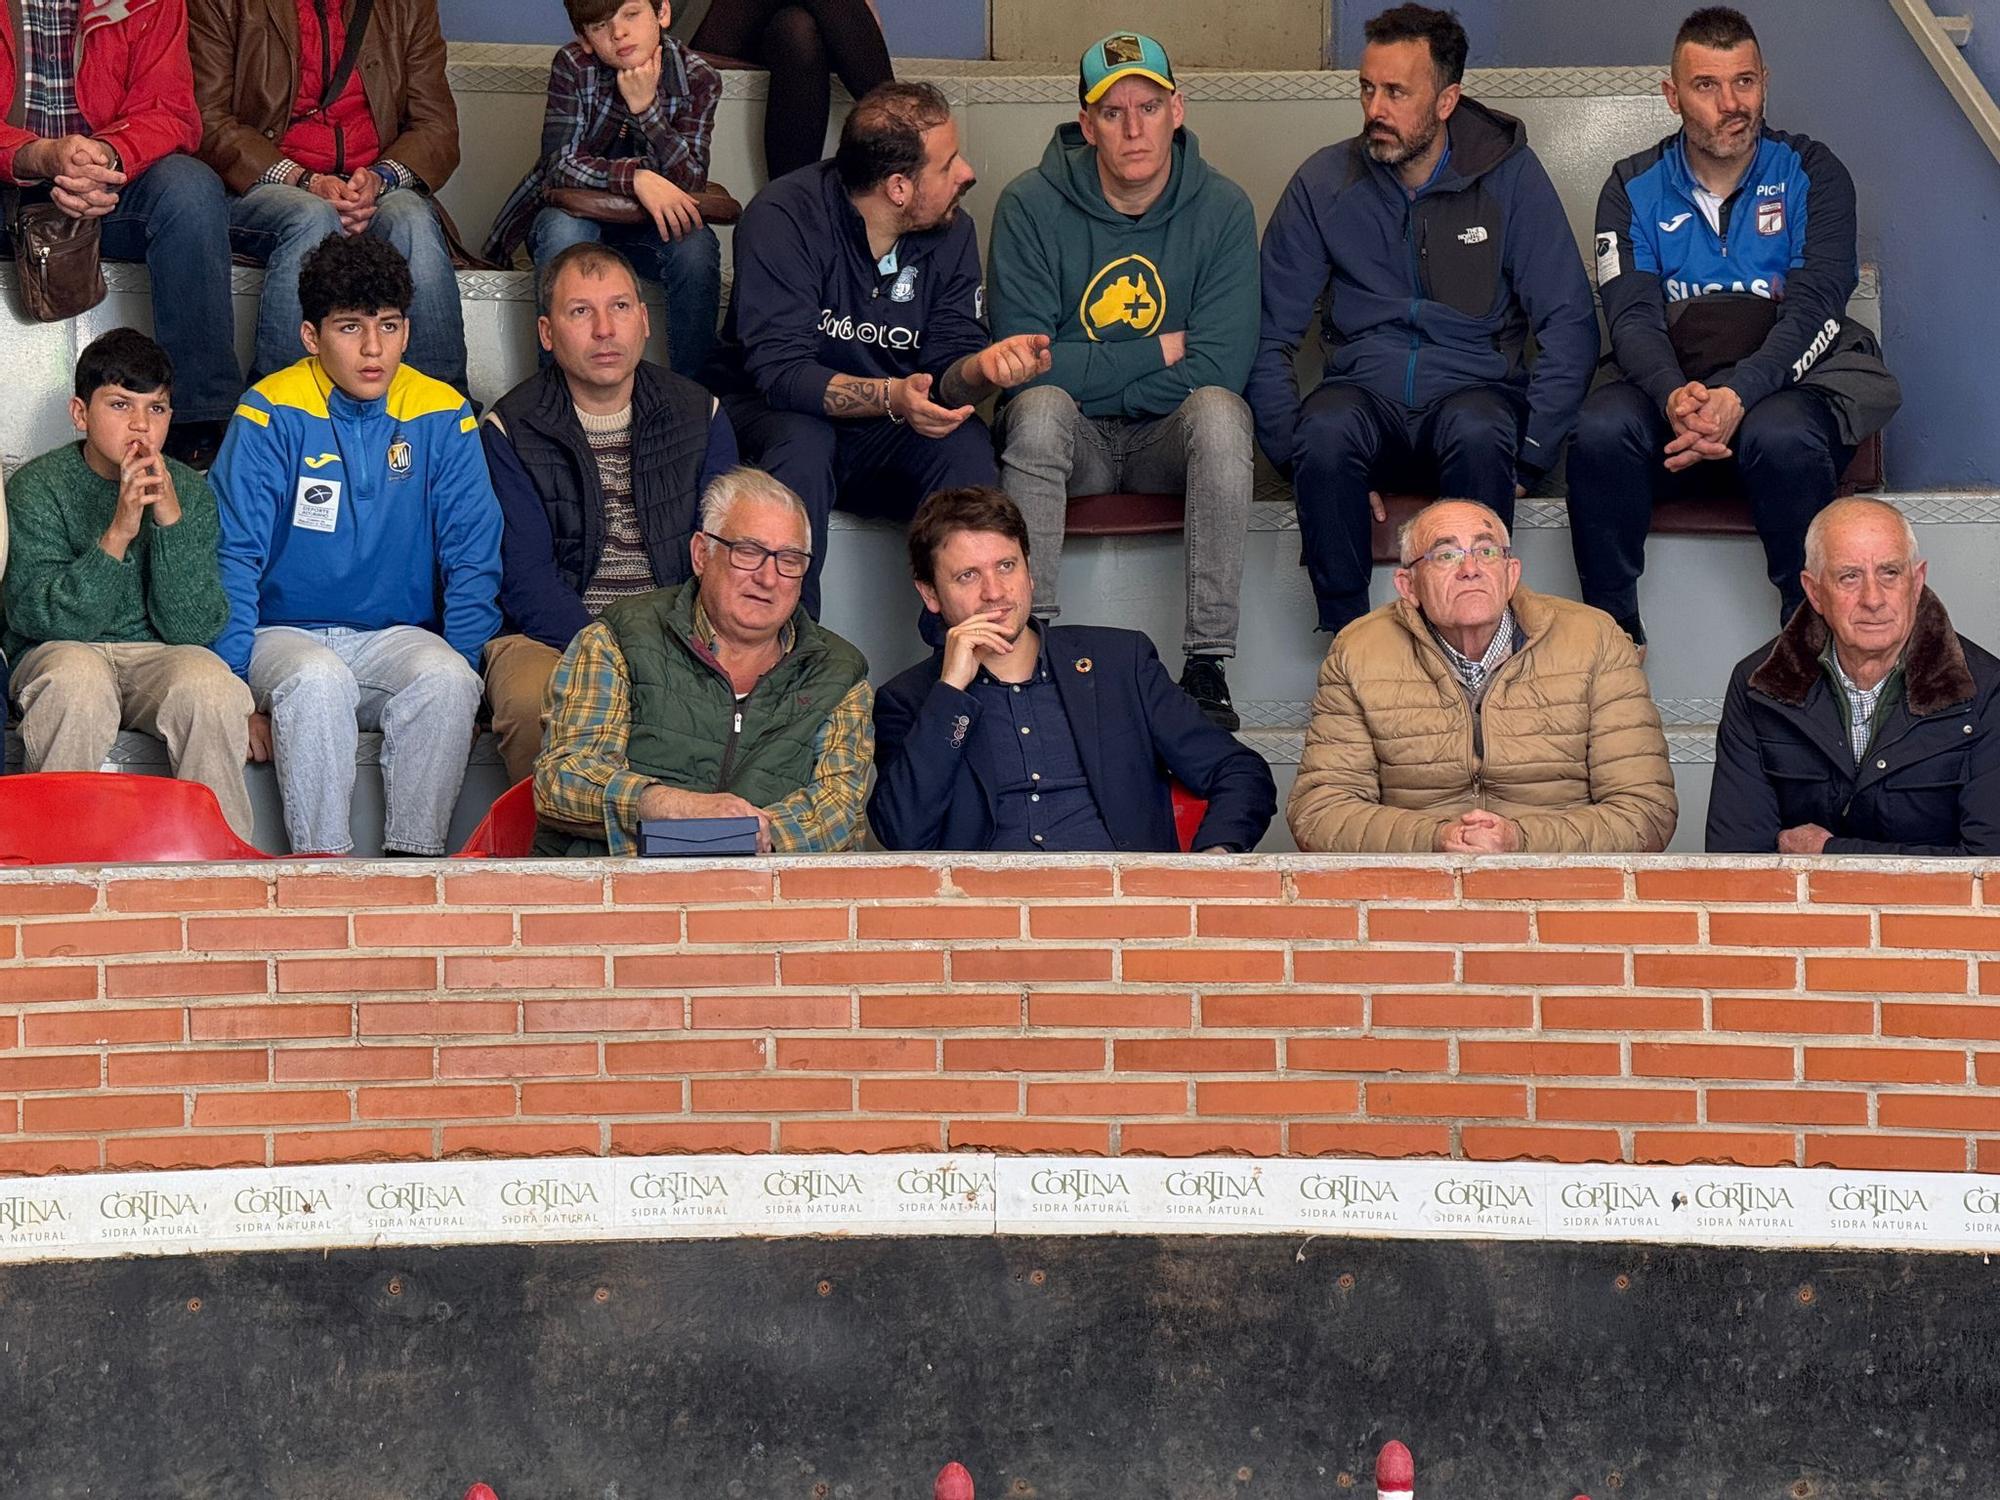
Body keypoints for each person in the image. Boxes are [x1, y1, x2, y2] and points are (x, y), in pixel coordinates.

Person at [1247, 3, 1597, 637]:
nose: (1375, 108)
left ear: (1446, 100)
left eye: (1396, 92)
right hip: (1365, 400)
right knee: (1323, 433)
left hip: (1471, 396)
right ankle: (1346, 644)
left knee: (1482, 426)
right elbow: (1266, 335)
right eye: (1366, 88)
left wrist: (1531, 457)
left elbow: (1570, 321)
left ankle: (1475, 645)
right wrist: (1296, 464)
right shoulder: (1323, 182)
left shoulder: (1509, 177)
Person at [1569, 8, 1900, 649]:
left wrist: (1740, 394)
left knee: (1782, 436)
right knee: (1600, 426)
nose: (1731, 104)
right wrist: (1673, 393)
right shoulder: (1631, 185)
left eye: (1744, 83)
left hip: (1778, 389)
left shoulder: (1813, 173)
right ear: (1672, 96)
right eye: (1706, 86)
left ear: (1765, 83)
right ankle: (1610, 636)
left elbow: (1816, 308)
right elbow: (1631, 313)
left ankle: (1809, 640)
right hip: (1676, 395)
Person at [987, 33, 1259, 730]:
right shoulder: (1028, 205)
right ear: (1086, 124)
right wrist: (1162, 351)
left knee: (1223, 413)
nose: (1133, 128)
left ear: (1178, 110)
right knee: (1042, 407)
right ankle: (1030, 641)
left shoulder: (1223, 209)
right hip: (1072, 443)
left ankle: (1205, 663)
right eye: (1112, 112)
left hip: (1166, 443)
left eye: (1149, 106)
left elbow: (1221, 366)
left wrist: (1091, 369)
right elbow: (1026, 368)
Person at [704, 80, 1052, 616]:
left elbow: (944, 371)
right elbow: (782, 373)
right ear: (897, 188)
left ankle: (969, 653)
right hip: (776, 416)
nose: (967, 174)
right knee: (804, 444)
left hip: (889, 431)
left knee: (964, 449)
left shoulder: (952, 231)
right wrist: (893, 397)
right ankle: (791, 653)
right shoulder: (783, 216)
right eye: (948, 163)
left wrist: (982, 369)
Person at [210, 234, 501, 856]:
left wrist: (473, 674)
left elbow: (474, 557)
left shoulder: (443, 412)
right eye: (349, 328)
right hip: (282, 635)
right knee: (318, 680)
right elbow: (233, 557)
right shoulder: (268, 411)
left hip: (391, 638)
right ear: (311, 336)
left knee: (448, 679)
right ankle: (323, 872)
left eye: (389, 326)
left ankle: (413, 868)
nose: (374, 349)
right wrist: (236, 692)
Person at [870, 486, 1275, 853]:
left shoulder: (1120, 662)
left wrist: (1214, 860)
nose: (994, 592)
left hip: (1125, 913)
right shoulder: (910, 700)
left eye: (1006, 566)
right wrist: (952, 693)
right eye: (968, 575)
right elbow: (902, 835)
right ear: (930, 593)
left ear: (1029, 570)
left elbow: (1239, 771)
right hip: (988, 920)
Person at [482, 242, 739, 787]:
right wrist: (616, 656)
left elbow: (723, 555)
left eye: (620, 307)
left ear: (644, 322)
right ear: (548, 335)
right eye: (581, 312)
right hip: (547, 635)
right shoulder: (511, 427)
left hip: (678, 631)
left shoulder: (701, 413)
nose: (605, 329)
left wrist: (669, 649)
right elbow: (525, 581)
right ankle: (550, 867)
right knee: (534, 702)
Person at [1288, 499, 1676, 853]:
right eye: (1445, 555)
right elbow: (1321, 812)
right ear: (1409, 586)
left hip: (1560, 890)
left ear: (1511, 574)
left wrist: (1520, 842)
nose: (1470, 569)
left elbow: (1644, 812)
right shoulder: (1359, 651)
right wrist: (1436, 840)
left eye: (1486, 551)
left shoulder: (1594, 639)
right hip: (1418, 894)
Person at [536, 466, 872, 856]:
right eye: (748, 552)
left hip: (760, 901)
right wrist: (673, 807)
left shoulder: (838, 671)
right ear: (701, 554)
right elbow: (561, 780)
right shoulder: (620, 638)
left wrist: (751, 832)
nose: (768, 577)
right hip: (617, 898)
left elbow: (839, 809)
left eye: (789, 560)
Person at [3, 329, 253, 836]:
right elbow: (37, 617)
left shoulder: (188, 492)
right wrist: (119, 531)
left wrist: (170, 524)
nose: (140, 426)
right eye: (120, 405)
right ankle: (57, 860)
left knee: (210, 684)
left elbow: (193, 628)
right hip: (60, 648)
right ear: (80, 413)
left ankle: (218, 872)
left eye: (156, 410)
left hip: (155, 656)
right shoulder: (37, 486)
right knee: (78, 680)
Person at [0, 0, 242, 467]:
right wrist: (35, 155)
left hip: (111, 186)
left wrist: (109, 157)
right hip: (8, 178)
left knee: (189, 189)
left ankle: (199, 432)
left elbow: (171, 109)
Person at [188, 0, 471, 393]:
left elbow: (437, 128)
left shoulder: (409, 6)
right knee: (310, 215)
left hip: (373, 185)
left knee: (412, 218)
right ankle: (280, 410)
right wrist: (305, 180)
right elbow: (206, 119)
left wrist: (380, 178)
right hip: (265, 186)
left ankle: (443, 411)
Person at [1707, 499, 2000, 855]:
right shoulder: (1760, 686)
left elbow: (1988, 869)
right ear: (1814, 591)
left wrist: (1831, 853)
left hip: (1935, 913)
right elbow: (1738, 861)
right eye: (1849, 576)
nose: (1872, 599)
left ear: (1917, 580)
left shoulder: (1984, 690)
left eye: (1890, 572)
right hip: (1800, 912)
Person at [484, 0, 724, 381]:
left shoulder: (698, 76)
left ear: (661, 14)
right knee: (564, 230)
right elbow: (559, 163)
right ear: (585, 39)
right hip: (577, 216)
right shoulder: (573, 65)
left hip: (648, 229)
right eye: (600, 26)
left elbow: (690, 179)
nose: (618, 33)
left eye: (631, 15)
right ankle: (555, 390)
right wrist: (637, 179)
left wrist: (646, 110)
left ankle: (693, 392)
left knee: (695, 246)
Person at [674, 0, 892, 182]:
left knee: (797, 30)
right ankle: (906, 128)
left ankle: (790, 210)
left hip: (750, 19)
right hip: (679, 17)